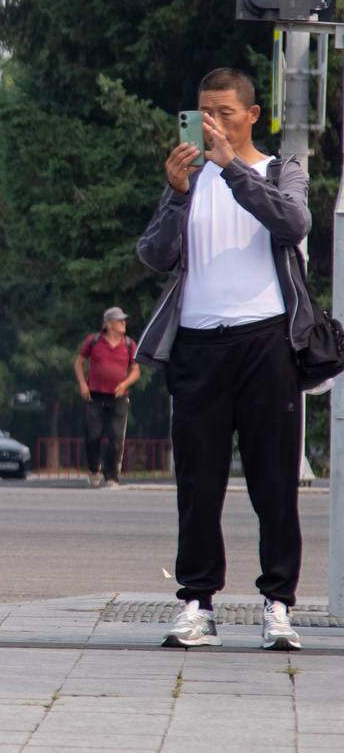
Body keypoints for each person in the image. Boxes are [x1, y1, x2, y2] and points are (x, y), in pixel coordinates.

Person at [137, 68, 312, 651]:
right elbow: (155, 255)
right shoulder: (187, 180)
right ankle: (197, 602)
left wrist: (231, 167)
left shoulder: (277, 170)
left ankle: (278, 604)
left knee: (274, 482)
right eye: (204, 113)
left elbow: (294, 222)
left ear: (252, 115)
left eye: (225, 113)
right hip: (198, 347)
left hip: (266, 344)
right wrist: (179, 192)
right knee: (198, 482)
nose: (213, 124)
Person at [73, 307, 140, 488]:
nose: (123, 323)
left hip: (118, 396)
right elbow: (79, 362)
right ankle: (95, 469)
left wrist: (124, 384)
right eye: (119, 321)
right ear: (109, 324)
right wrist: (82, 384)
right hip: (95, 395)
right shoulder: (94, 341)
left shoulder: (129, 343)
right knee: (93, 435)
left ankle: (112, 476)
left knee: (116, 438)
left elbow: (136, 370)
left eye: (123, 320)